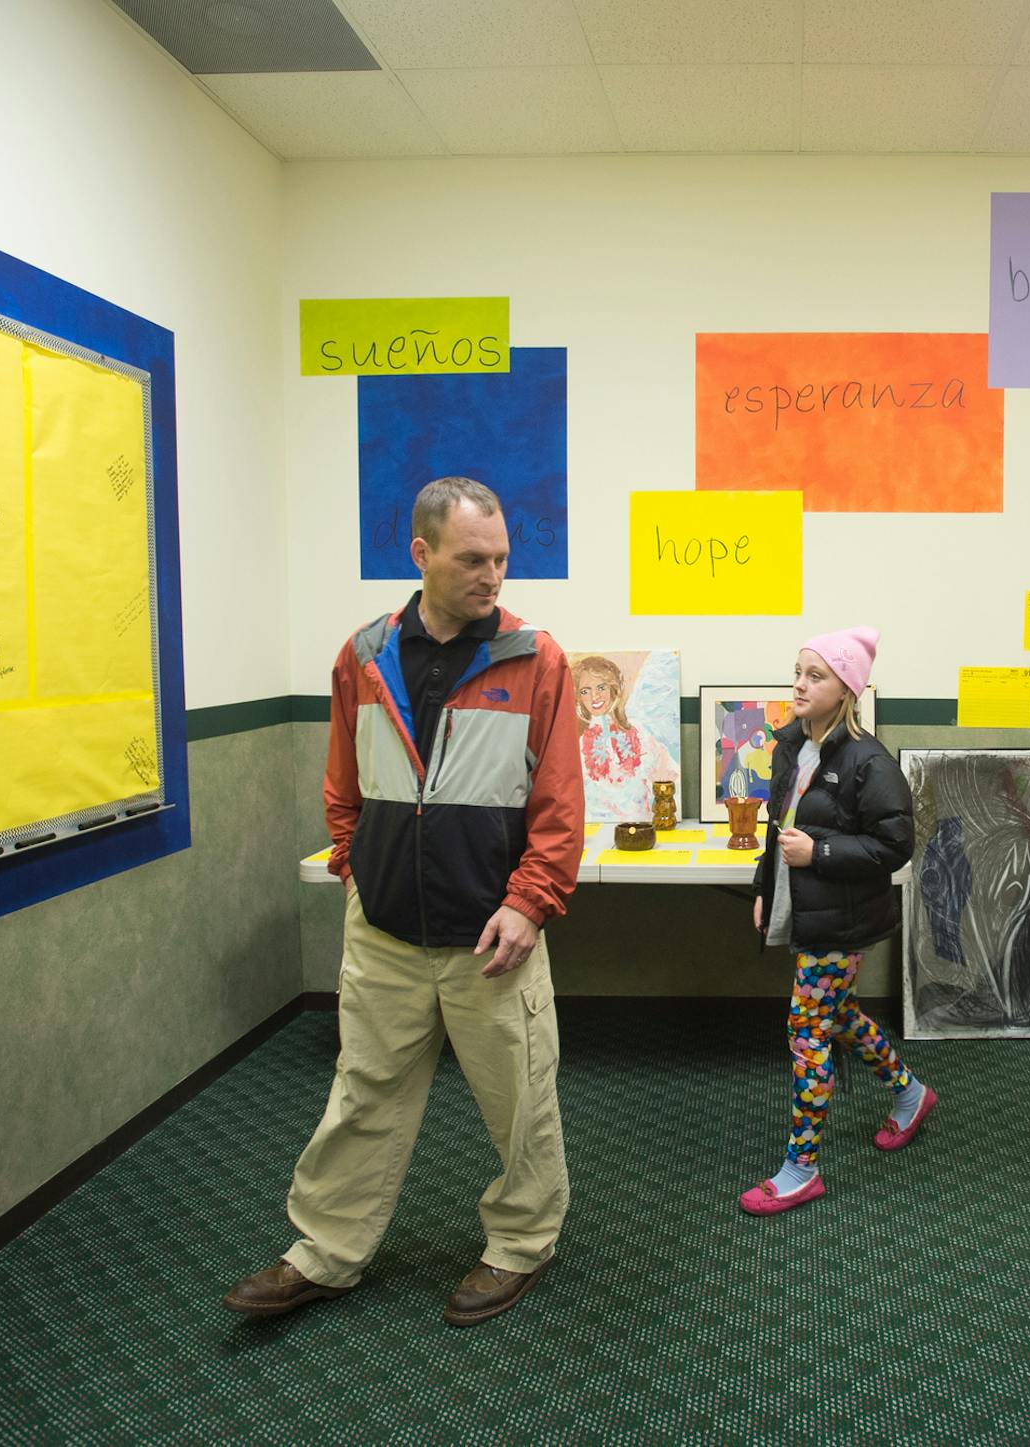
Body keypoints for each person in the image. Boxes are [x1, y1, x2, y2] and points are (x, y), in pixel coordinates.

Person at [224, 476, 584, 1325]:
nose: (492, 575)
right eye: (471, 559)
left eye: (500, 558)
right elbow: (343, 785)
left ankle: (521, 1244)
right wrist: (357, 864)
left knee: (520, 1101)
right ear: (420, 554)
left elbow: (562, 809)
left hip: (493, 939)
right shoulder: (362, 655)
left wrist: (530, 903)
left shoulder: (537, 659)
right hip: (383, 929)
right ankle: (326, 1251)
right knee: (362, 1094)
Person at [741, 626, 936, 1215]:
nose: (799, 684)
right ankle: (910, 1094)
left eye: (815, 675)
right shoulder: (789, 746)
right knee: (839, 1015)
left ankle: (801, 1169)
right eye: (797, 671)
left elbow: (896, 845)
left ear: (846, 688)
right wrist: (762, 883)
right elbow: (779, 829)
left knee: (808, 1035)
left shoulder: (867, 760)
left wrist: (819, 854)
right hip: (801, 906)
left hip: (839, 920)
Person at [571, 653, 680, 818]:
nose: (595, 697)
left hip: (644, 823)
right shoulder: (578, 747)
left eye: (601, 687)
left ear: (613, 689)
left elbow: (669, 774)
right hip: (595, 824)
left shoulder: (639, 733)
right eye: (586, 691)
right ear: (579, 697)